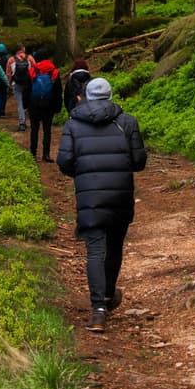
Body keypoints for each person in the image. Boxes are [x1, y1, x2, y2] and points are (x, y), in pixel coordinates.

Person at [56, 77, 147, 333]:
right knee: (115, 245)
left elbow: (64, 161)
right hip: (120, 194)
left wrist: (83, 174)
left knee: (96, 249)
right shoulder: (127, 121)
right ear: (109, 95)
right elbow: (139, 161)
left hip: (89, 196)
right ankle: (107, 296)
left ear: (86, 95)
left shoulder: (74, 123)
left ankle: (98, 310)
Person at [27, 49, 62, 162]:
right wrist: (58, 106)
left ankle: (33, 153)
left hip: (34, 103)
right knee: (47, 129)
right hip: (49, 103)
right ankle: (46, 154)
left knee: (34, 129)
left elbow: (27, 89)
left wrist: (25, 104)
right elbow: (58, 90)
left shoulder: (33, 70)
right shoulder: (54, 71)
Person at [6, 44, 36, 132]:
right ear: (23, 49)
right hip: (29, 83)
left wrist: (10, 83)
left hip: (17, 83)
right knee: (30, 101)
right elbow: (35, 69)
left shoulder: (11, 59)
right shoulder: (30, 58)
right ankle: (33, 121)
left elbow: (8, 73)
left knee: (20, 103)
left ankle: (22, 123)